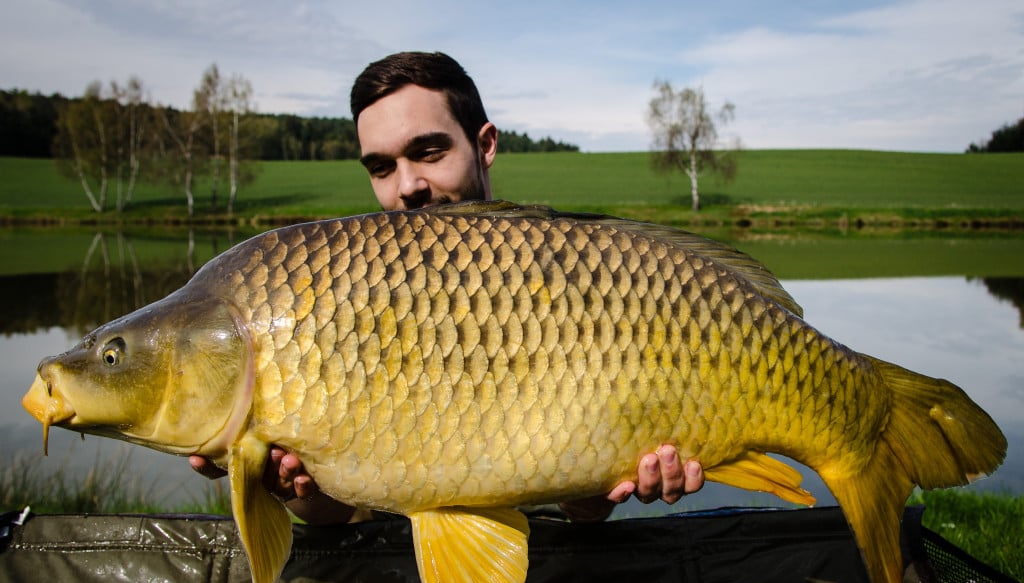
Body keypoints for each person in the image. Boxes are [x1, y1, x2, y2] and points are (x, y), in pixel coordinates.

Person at [191, 51, 704, 523]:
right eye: (382, 167)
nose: (407, 185)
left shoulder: (575, 276)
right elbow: (332, 516)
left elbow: (583, 508)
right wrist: (284, 483)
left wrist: (615, 480)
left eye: (428, 152)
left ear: (484, 145)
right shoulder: (337, 293)